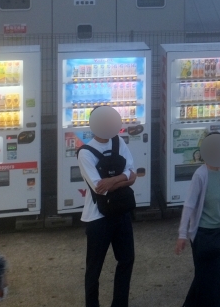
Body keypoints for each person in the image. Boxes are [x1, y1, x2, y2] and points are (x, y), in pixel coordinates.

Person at [79, 106, 137, 307]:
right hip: (98, 219)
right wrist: (123, 178)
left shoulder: (118, 141)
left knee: (127, 260)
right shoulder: (85, 153)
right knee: (94, 269)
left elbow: (132, 175)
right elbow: (99, 189)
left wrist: (113, 180)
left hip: (121, 213)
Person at [176, 133, 220, 307]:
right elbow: (189, 206)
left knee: (207, 279)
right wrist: (183, 235)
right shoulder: (200, 175)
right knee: (211, 283)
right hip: (203, 237)